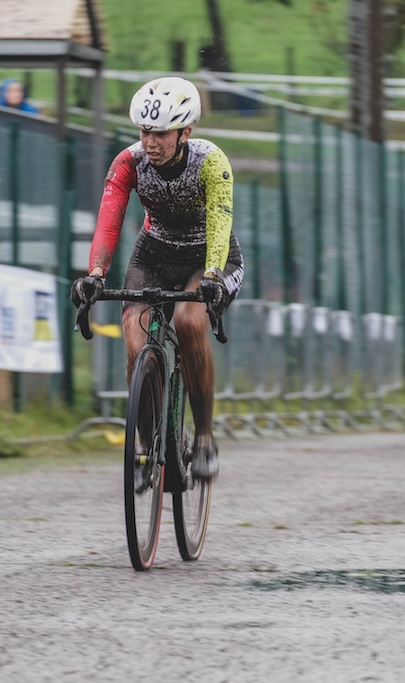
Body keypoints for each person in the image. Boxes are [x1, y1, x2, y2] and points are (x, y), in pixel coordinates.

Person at [71, 76, 243, 481]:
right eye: (145, 130)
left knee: (188, 320)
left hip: (208, 259)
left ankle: (203, 438)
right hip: (155, 254)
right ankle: (147, 445)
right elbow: (109, 219)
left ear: (185, 132)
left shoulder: (210, 161)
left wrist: (213, 276)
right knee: (135, 335)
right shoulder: (128, 162)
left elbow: (220, 222)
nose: (150, 142)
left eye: (161, 133)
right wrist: (95, 273)